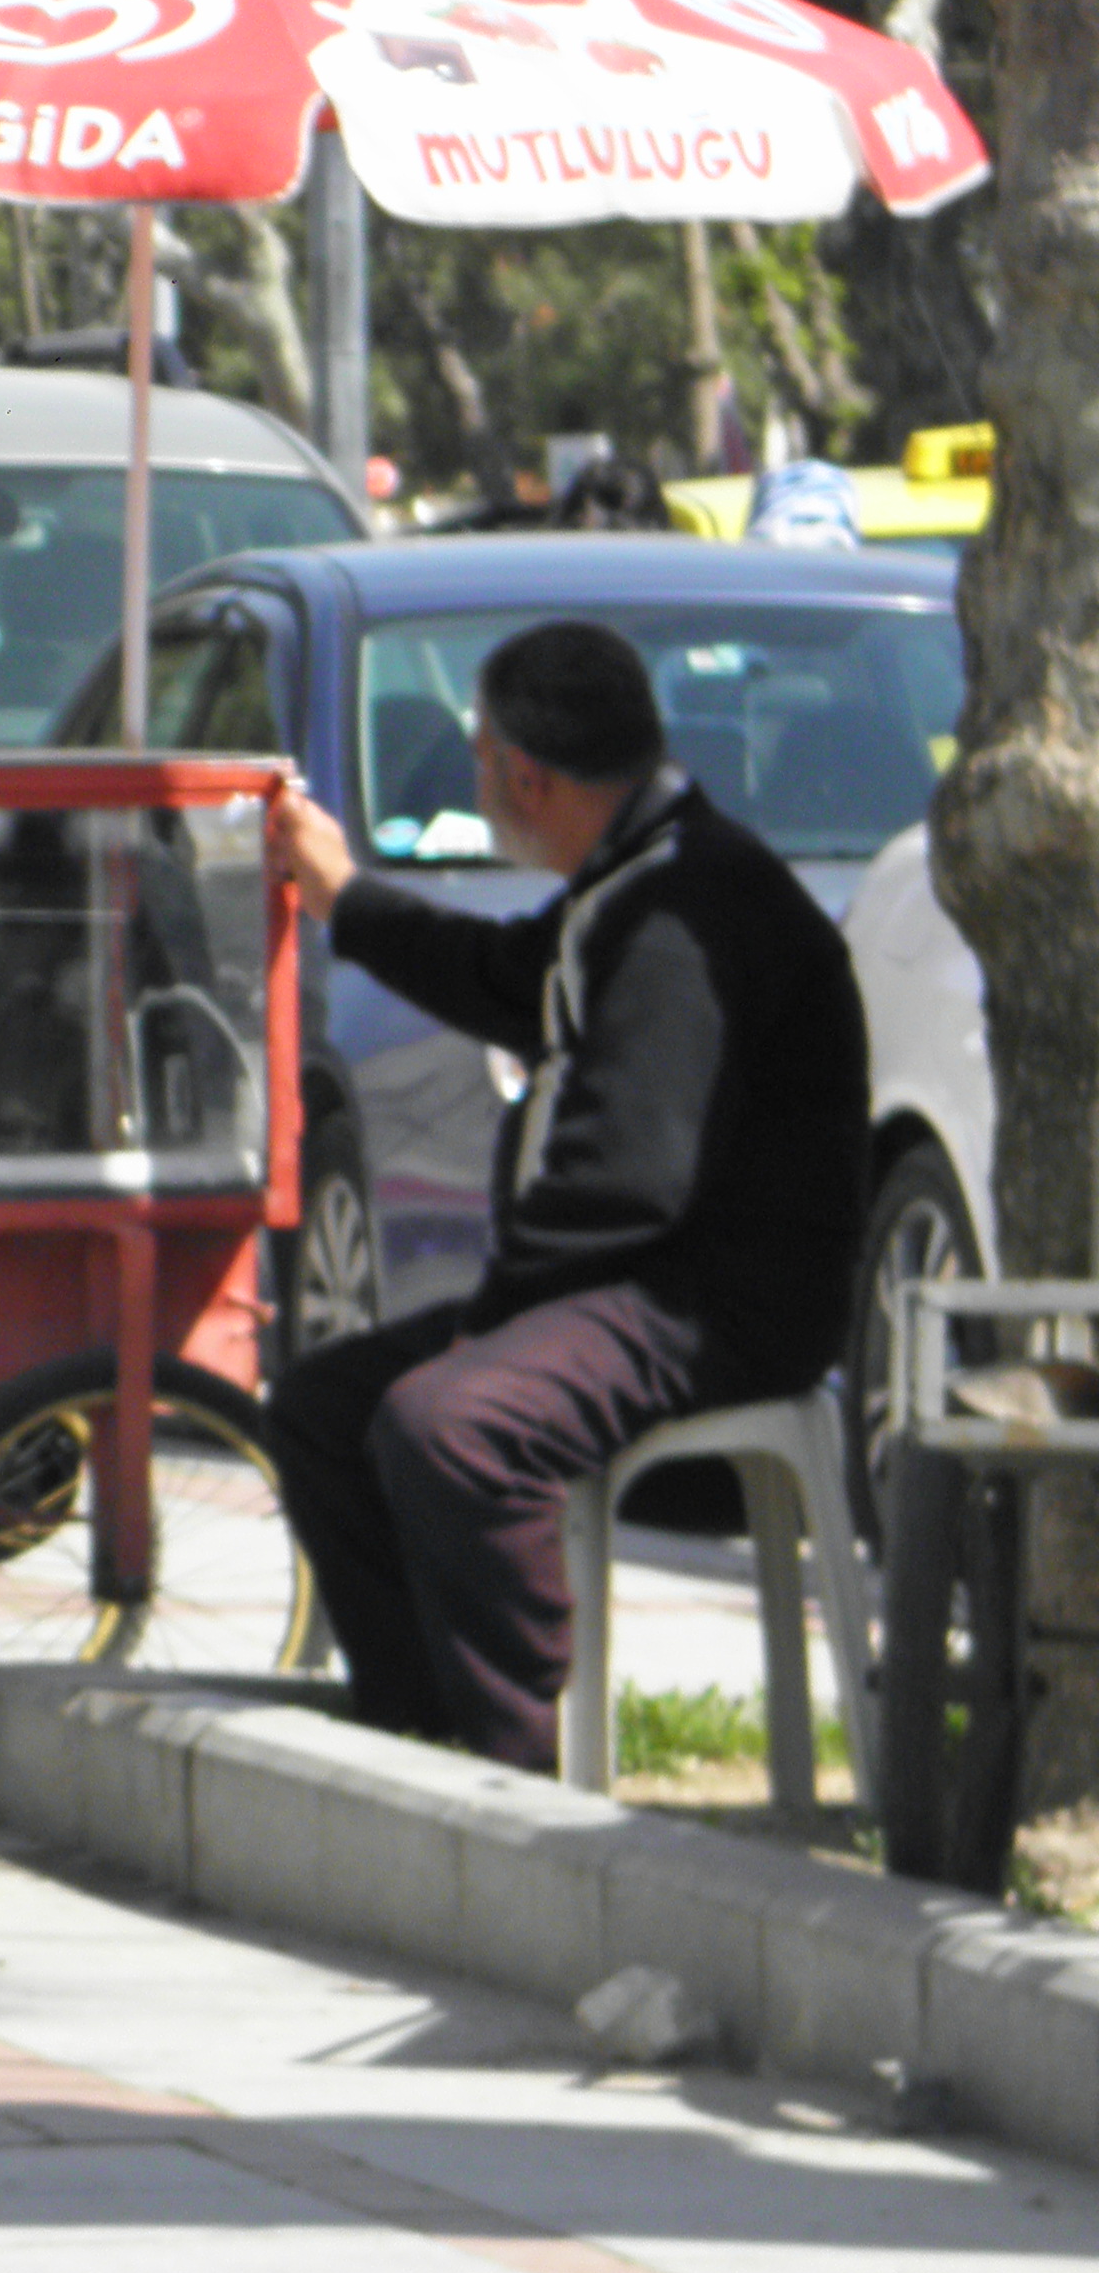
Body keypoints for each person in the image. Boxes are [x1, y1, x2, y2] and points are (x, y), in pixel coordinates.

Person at [264, 619, 867, 1770]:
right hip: (633, 1284)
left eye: (477, 757)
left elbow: (623, 1183)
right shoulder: (635, 877)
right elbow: (506, 979)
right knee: (322, 1407)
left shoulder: (689, 910)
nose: (474, 781)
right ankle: (415, 1728)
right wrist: (344, 899)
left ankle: (516, 1762)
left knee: (450, 1426)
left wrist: (493, 1319)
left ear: (522, 777)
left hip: (709, 1307)